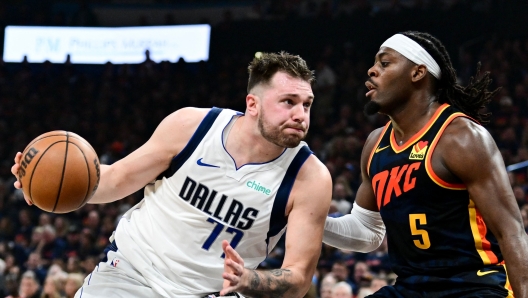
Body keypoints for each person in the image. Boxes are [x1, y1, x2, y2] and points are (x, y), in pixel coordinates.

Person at [11, 52, 332, 298]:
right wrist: (52, 185)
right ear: (253, 104)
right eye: (288, 102)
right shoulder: (192, 127)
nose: (300, 115)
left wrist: (248, 280)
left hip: (210, 292)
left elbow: (299, 278)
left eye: (306, 104)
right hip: (131, 273)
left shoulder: (310, 178)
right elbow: (115, 180)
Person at [323, 31, 528, 297]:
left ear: (418, 73)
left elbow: (511, 232)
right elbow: (367, 233)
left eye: (384, 63)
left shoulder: (460, 137)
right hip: (411, 287)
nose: (371, 71)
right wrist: (300, 220)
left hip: (474, 284)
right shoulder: (375, 144)